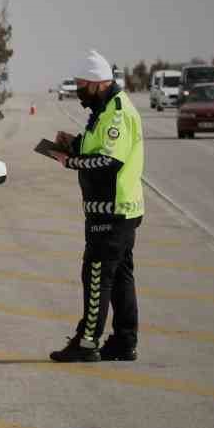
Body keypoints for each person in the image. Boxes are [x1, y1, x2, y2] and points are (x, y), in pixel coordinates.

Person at [43, 48, 145, 362]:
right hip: (114, 210)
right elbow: (97, 147)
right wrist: (74, 143)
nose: (78, 92)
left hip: (113, 211)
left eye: (82, 86)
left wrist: (69, 160)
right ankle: (124, 341)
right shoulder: (103, 110)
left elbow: (108, 160)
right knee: (119, 278)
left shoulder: (116, 111)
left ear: (98, 83)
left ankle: (87, 343)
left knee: (97, 274)